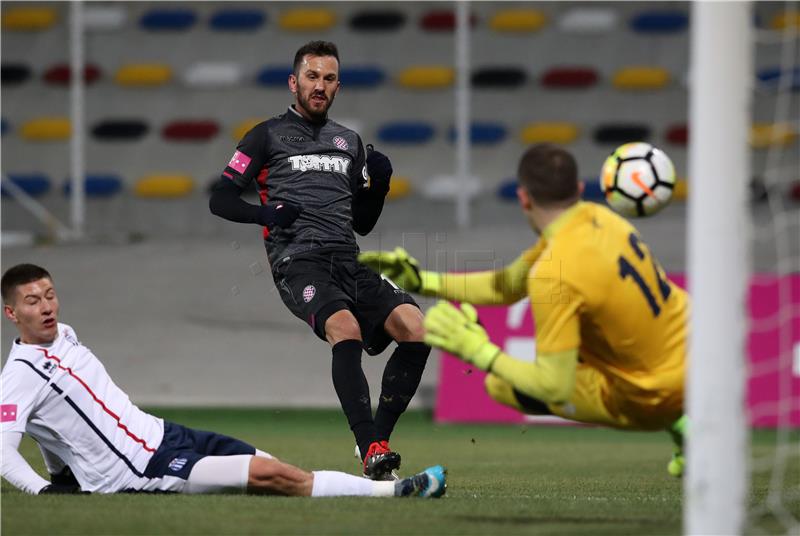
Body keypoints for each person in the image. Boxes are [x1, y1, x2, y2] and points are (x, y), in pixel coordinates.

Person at [359, 144, 689, 476]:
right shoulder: (599, 218)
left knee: (502, 385)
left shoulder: (555, 270)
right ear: (577, 190)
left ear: (523, 198)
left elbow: (554, 386)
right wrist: (423, 280)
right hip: (695, 357)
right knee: (601, 331)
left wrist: (479, 351)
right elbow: (505, 286)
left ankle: (675, 419)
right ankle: (685, 430)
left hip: (654, 397)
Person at [0, 263, 446, 497]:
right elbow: (3, 452)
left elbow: (50, 426)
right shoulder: (20, 375)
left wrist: (62, 473)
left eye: (50, 295)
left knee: (267, 463)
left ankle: (369, 483)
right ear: (11, 312)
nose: (46, 306)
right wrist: (45, 490)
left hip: (162, 433)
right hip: (141, 468)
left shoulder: (65, 336)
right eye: (33, 301)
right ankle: (394, 492)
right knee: (273, 476)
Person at [208, 41, 430, 481]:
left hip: (347, 258)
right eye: (312, 77)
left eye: (329, 79)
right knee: (343, 328)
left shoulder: (348, 142)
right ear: (294, 83)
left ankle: (373, 444)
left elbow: (363, 223)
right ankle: (370, 446)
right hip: (299, 262)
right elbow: (220, 197)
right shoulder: (265, 135)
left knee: (417, 329)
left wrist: (379, 185)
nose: (319, 86)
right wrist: (263, 213)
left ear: (337, 87)